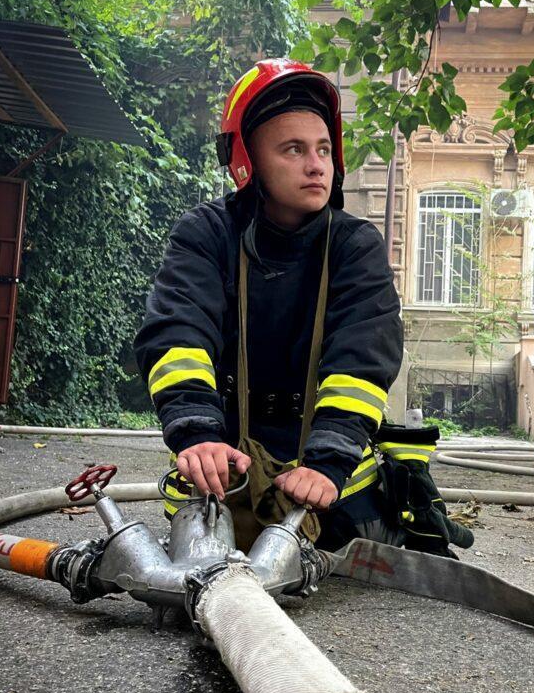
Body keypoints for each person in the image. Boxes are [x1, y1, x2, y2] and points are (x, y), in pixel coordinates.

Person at [134, 58, 406, 552]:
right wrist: (197, 434)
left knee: (364, 548)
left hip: (331, 470)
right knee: (201, 559)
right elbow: (178, 330)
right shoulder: (207, 234)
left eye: (324, 148)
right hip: (227, 462)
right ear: (249, 161)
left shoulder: (355, 247)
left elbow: (363, 355)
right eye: (294, 149)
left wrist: (327, 464)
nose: (316, 164)